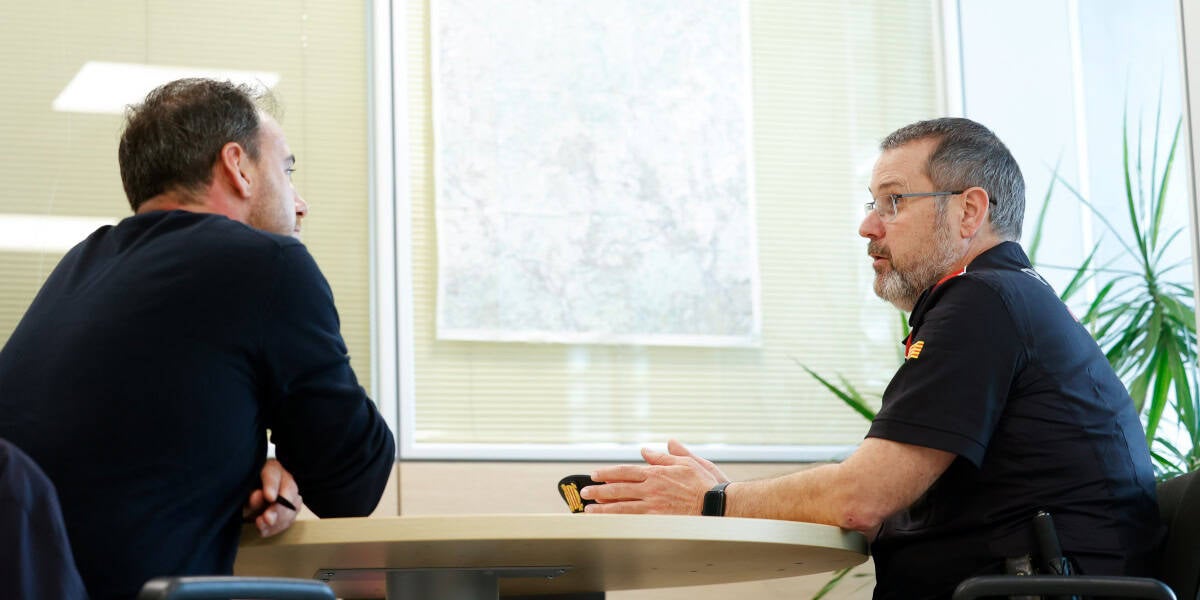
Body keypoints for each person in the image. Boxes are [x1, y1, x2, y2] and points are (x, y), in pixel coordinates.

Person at [580, 118, 1162, 598]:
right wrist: (731, 496)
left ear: (968, 211)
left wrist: (712, 501)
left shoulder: (983, 302)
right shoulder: (1005, 298)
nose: (867, 226)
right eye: (872, 203)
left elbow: (861, 501)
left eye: (894, 201)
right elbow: (875, 498)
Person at [0, 78, 395, 600]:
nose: (301, 204)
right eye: (287, 170)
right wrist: (295, 455)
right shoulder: (266, 264)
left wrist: (245, 462)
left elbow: (123, 446)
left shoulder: (81, 265)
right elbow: (352, 485)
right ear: (238, 166)